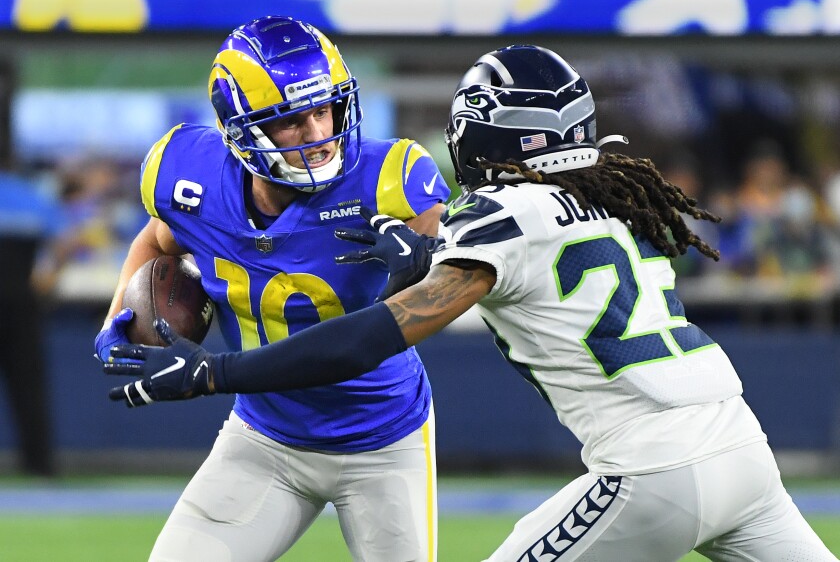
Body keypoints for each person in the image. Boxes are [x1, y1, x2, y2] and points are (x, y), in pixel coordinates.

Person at [103, 45, 837, 561]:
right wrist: (421, 250)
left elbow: (371, 337)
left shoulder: (497, 215)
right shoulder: (616, 202)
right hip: (743, 449)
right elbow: (468, 248)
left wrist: (213, 374)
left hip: (648, 472)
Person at [95, 16, 449, 562]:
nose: (318, 134)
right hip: (264, 438)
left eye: (325, 109)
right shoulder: (187, 177)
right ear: (238, 130)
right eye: (291, 121)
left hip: (383, 436)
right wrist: (115, 321)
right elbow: (157, 241)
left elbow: (456, 257)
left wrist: (424, 255)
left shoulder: (390, 177)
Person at [0, 171, 61, 477]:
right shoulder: (30, 195)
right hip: (21, 299)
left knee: (29, 386)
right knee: (28, 387)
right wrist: (46, 277)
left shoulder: (31, 194)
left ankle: (39, 463)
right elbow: (65, 240)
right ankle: (39, 465)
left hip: (20, 302)